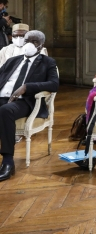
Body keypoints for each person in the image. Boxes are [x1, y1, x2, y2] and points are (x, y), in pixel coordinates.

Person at [0, 30, 58, 181]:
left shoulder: (47, 62)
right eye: (27, 41)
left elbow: (54, 84)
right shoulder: (12, 60)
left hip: (24, 102)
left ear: (41, 45)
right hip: (2, 97)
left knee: (5, 111)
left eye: (34, 42)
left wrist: (27, 87)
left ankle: (7, 162)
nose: (29, 44)